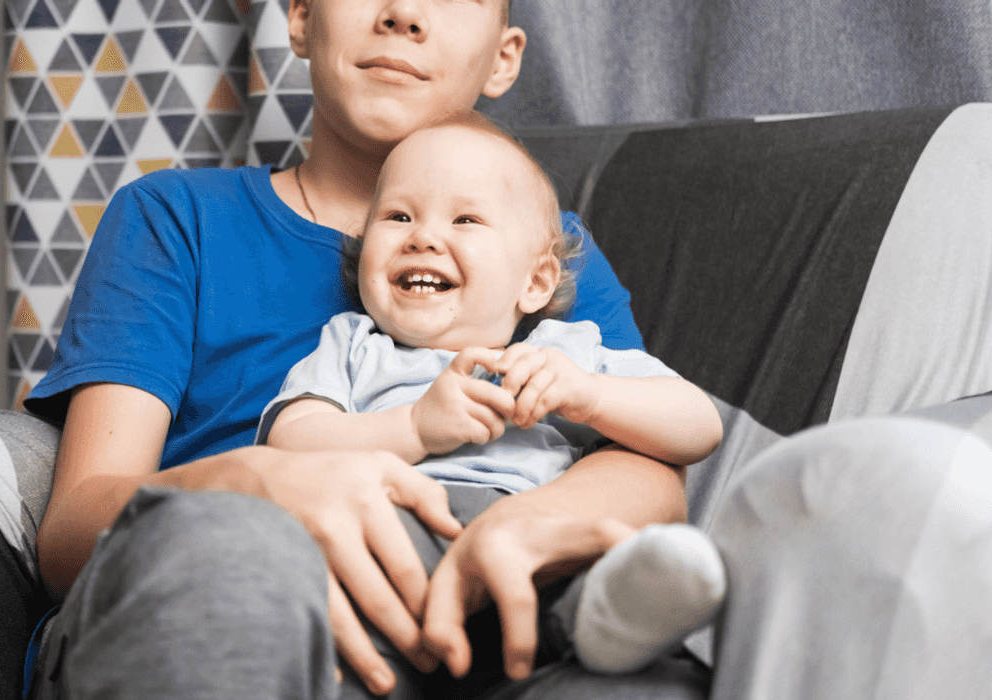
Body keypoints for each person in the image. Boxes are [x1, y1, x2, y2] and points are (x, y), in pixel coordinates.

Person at [23, 0, 697, 697]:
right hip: (224, 591)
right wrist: (257, 483)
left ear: (504, 57)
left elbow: (652, 469)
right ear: (300, 19)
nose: (403, 12)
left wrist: (521, 528)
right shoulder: (176, 217)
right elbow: (71, 537)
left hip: (491, 613)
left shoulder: (541, 244)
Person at [257, 112, 726, 687]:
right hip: (402, 527)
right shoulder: (354, 344)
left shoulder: (564, 352)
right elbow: (290, 440)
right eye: (398, 216)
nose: (423, 236)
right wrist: (415, 427)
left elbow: (700, 425)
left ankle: (601, 618)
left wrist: (591, 396)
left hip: (535, 537)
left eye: (466, 219)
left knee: (585, 577)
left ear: (536, 282)